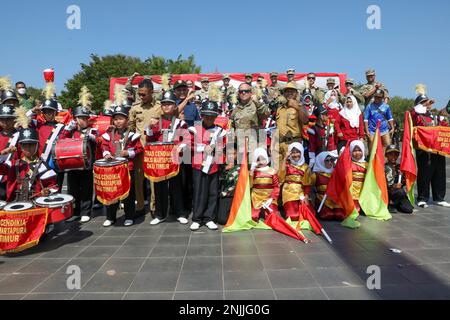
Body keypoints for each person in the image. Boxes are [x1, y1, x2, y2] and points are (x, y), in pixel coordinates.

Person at [146, 91, 189, 226]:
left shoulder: (180, 123)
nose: (166, 107)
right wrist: (150, 127)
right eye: (164, 104)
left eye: (169, 104)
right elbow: (150, 139)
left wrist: (180, 147)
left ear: (175, 106)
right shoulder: (156, 122)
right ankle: (160, 214)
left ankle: (180, 213)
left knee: (176, 187)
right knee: (159, 188)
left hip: (175, 159)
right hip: (160, 161)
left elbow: (187, 138)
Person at [101, 105, 143, 227]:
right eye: (116, 119)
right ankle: (111, 217)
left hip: (127, 169)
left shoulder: (132, 135)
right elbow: (104, 146)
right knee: (111, 193)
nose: (118, 121)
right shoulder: (108, 135)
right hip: (112, 169)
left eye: (121, 118)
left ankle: (129, 216)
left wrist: (128, 153)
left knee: (128, 194)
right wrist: (107, 154)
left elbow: (139, 149)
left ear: (126, 120)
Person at [189, 100, 227, 231]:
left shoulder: (220, 131)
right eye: (207, 116)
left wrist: (217, 149)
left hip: (214, 166)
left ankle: (209, 218)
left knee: (212, 192)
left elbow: (223, 147)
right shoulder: (194, 129)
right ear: (202, 116)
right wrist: (203, 147)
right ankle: (197, 219)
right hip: (199, 166)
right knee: (199, 192)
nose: (209, 119)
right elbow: (189, 145)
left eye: (212, 116)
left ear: (216, 117)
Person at [411, 86, 450, 208]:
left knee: (439, 172)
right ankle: (422, 198)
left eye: (427, 102)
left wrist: (444, 120)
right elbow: (413, 113)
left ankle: (439, 197)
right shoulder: (416, 115)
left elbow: (444, 126)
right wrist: (423, 105)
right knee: (425, 173)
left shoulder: (435, 116)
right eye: (423, 103)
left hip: (437, 150)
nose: (427, 104)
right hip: (424, 150)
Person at [0, 123, 58, 203]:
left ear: (37, 145)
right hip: (13, 205)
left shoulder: (43, 166)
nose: (28, 148)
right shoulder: (12, 164)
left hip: (36, 205)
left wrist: (47, 191)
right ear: (20, 146)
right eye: (25, 145)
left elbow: (53, 186)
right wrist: (2, 153)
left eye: (31, 145)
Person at [60, 100, 98, 223]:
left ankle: (86, 212)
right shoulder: (71, 131)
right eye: (80, 118)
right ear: (75, 119)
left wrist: (89, 136)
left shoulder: (92, 130)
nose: (83, 120)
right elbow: (60, 141)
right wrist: (67, 129)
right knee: (73, 189)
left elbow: (98, 140)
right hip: (72, 165)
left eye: (85, 118)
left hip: (86, 165)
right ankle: (74, 212)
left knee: (86, 188)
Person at [129, 79, 162, 215]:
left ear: (151, 92)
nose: (141, 97)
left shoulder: (159, 107)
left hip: (154, 151)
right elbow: (130, 129)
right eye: (139, 94)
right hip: (139, 150)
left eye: (144, 94)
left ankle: (154, 207)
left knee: (154, 180)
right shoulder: (135, 108)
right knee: (138, 179)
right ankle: (140, 206)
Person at [273, 83, 309, 180]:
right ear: (284, 93)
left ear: (296, 93)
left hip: (293, 143)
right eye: (287, 91)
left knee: (293, 172)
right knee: (278, 172)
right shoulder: (279, 109)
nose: (289, 93)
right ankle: (280, 193)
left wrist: (297, 107)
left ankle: (294, 193)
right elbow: (277, 127)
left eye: (292, 91)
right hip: (279, 144)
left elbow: (305, 120)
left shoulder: (300, 106)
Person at [281, 143, 312, 221]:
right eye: (293, 152)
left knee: (306, 215)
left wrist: (306, 196)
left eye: (298, 152)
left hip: (300, 193)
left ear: (301, 152)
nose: (295, 155)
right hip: (288, 192)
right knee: (293, 216)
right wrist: (285, 158)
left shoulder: (305, 167)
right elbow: (280, 177)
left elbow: (307, 184)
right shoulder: (287, 165)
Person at [312, 152, 346, 220]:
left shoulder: (336, 173)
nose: (330, 162)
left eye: (332, 160)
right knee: (327, 215)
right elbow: (308, 188)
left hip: (335, 200)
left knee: (340, 215)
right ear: (321, 160)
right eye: (327, 160)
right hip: (322, 200)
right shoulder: (315, 175)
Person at [250, 147, 280, 221]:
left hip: (269, 197)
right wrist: (251, 174)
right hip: (256, 198)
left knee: (272, 217)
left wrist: (272, 198)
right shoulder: (253, 171)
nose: (260, 162)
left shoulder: (272, 171)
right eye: (258, 160)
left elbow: (277, 186)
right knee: (253, 217)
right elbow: (250, 186)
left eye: (262, 159)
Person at [385, 145, 414, 214]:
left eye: (395, 154)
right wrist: (393, 186)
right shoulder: (384, 168)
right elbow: (382, 183)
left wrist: (403, 177)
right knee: (399, 191)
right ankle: (391, 204)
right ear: (386, 155)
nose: (393, 157)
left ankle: (396, 203)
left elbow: (404, 182)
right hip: (388, 192)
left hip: (399, 193)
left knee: (409, 209)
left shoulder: (400, 167)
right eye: (390, 154)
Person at [0, 104, 19, 200]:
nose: (5, 122)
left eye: (8, 119)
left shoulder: (20, 135)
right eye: (2, 119)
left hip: (15, 176)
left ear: (14, 119)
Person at [217, 143, 239, 225]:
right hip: (225, 195)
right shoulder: (220, 167)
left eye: (234, 154)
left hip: (237, 196)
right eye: (229, 154)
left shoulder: (241, 167)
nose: (231, 156)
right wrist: (225, 170)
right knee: (223, 220)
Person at [349, 140, 368, 217]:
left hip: (363, 191)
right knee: (354, 210)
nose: (357, 153)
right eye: (355, 150)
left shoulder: (367, 165)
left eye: (359, 150)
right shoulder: (348, 163)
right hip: (352, 191)